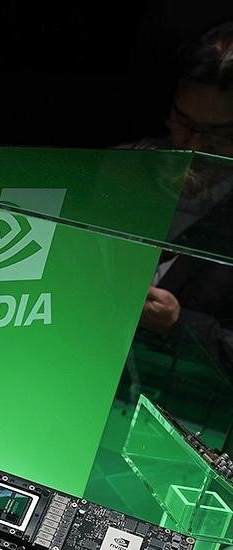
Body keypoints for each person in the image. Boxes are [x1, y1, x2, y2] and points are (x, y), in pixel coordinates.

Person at [134, 20, 233, 376]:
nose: (193, 146)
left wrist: (180, 324)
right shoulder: (125, 168)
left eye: (218, 134)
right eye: (184, 122)